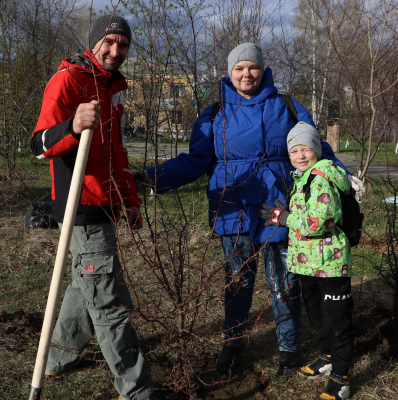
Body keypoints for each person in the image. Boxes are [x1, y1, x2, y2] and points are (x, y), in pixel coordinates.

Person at [132, 43, 362, 376]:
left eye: (252, 67)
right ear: (229, 72)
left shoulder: (288, 106)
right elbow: (195, 160)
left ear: (263, 70)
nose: (246, 74)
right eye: (239, 68)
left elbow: (318, 148)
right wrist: (152, 178)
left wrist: (343, 176)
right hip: (233, 205)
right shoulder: (215, 113)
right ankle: (233, 343)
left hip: (280, 206)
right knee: (237, 281)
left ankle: (288, 349)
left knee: (285, 282)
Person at [30, 15, 161, 400]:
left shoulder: (114, 86)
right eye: (109, 43)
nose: (116, 51)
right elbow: (38, 143)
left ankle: (58, 358)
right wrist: (72, 126)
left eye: (123, 46)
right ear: (94, 43)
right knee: (108, 300)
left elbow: (117, 151)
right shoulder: (67, 79)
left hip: (107, 204)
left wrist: (131, 200)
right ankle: (136, 389)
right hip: (79, 204)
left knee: (84, 286)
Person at [258, 122, 353, 400]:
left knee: (337, 320)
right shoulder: (302, 177)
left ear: (317, 149)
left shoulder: (321, 177)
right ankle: (326, 357)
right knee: (318, 315)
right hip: (308, 263)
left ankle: (341, 378)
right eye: (295, 150)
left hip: (331, 264)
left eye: (306, 149)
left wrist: (285, 217)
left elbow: (319, 222)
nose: (300, 155)